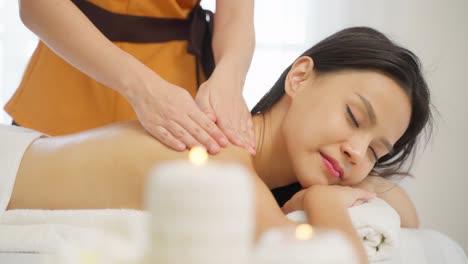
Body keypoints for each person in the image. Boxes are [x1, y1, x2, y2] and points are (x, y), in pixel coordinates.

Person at [1, 27, 432, 264]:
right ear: (299, 77)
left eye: (378, 150)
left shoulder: (247, 171)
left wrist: (361, 174)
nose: (358, 151)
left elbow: (407, 214)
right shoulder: (220, 153)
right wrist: (326, 201)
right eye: (355, 118)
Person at [4, 0, 256, 155]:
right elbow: (36, 4)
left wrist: (229, 79)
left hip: (176, 102)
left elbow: (235, 15)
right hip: (65, 78)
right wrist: (142, 89)